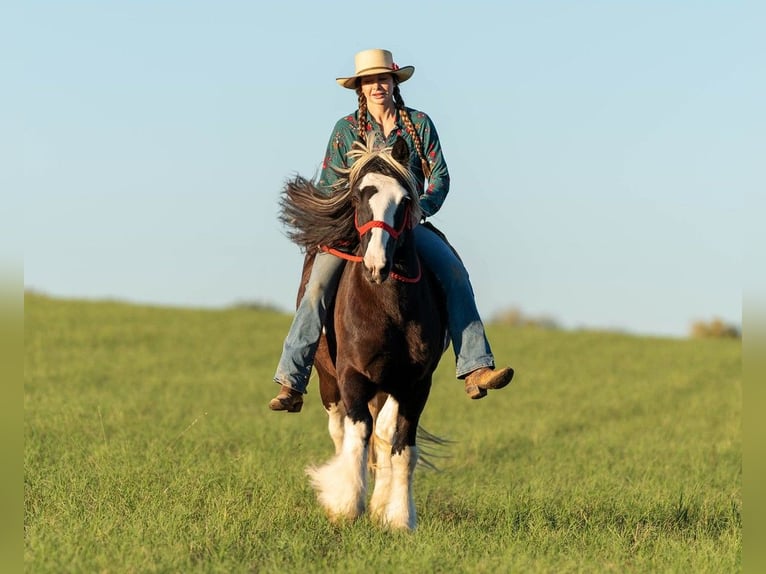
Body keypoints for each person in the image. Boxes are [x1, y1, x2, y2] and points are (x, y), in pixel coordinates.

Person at [270, 48, 513, 413]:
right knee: (317, 286)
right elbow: (327, 183)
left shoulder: (419, 125)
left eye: (383, 78)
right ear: (360, 88)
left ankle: (475, 366)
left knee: (454, 272)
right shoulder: (346, 130)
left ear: (394, 83)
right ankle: (292, 378)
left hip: (406, 225)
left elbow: (440, 177)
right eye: (370, 80)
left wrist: (419, 211)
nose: (377, 86)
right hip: (355, 230)